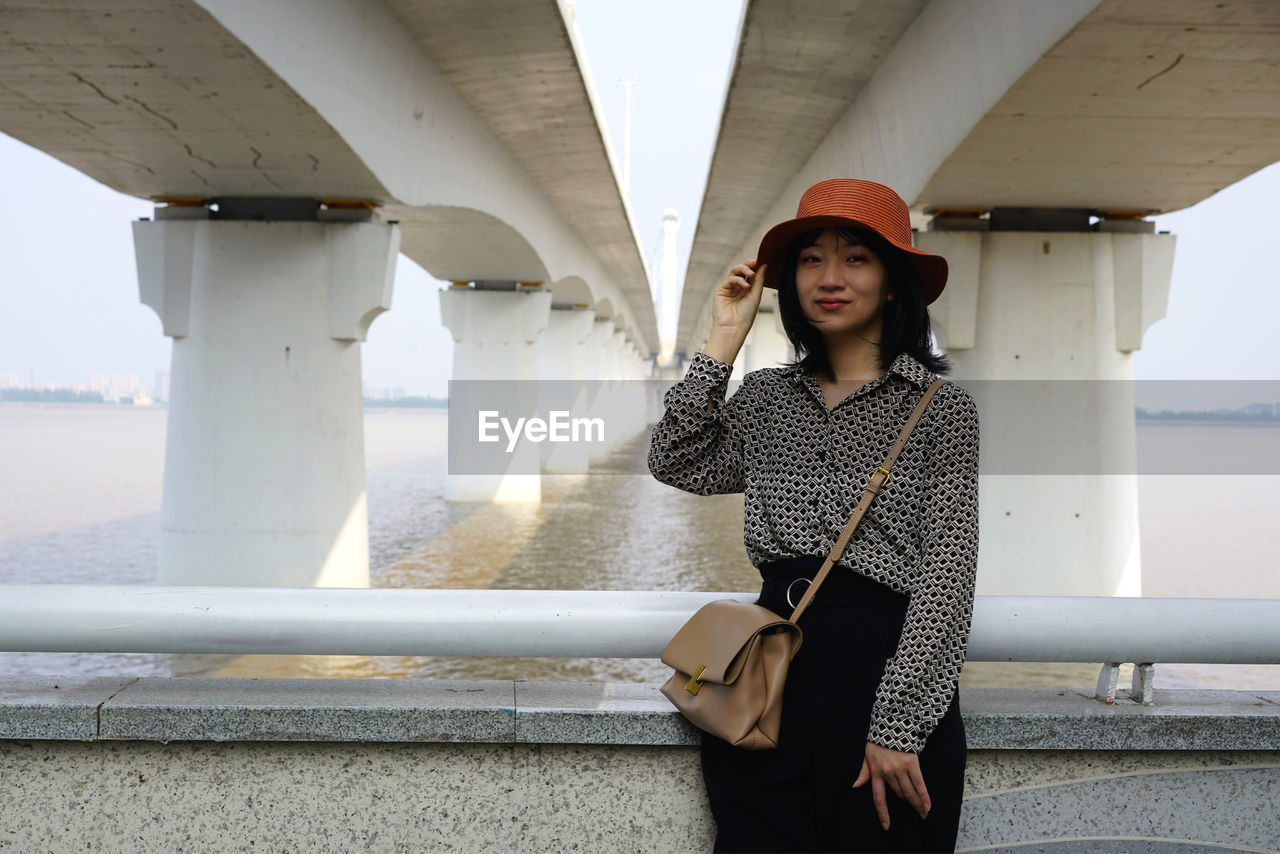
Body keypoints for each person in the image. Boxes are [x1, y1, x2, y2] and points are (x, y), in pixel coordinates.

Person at [648, 178, 979, 853]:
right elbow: (676, 460)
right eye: (810, 259)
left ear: (893, 282)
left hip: (884, 677)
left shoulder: (942, 410)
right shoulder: (767, 397)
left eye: (856, 257)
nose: (830, 278)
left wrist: (897, 725)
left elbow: (948, 574)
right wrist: (719, 346)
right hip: (770, 678)